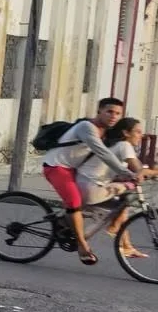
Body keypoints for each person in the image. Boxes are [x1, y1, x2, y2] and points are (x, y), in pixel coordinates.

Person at [41, 97, 135, 265]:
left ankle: (64, 223)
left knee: (99, 200)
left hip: (74, 170)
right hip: (56, 167)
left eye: (118, 114)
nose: (113, 116)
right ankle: (82, 246)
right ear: (99, 111)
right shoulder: (87, 127)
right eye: (109, 112)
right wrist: (125, 172)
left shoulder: (105, 132)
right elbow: (102, 153)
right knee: (74, 202)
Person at [77, 117, 158, 258]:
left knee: (123, 205)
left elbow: (132, 172)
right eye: (138, 132)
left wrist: (147, 173)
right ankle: (113, 228)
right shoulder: (124, 145)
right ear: (126, 133)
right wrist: (152, 172)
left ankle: (125, 245)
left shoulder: (115, 145)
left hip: (86, 184)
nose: (141, 136)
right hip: (91, 187)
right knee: (128, 194)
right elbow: (139, 170)